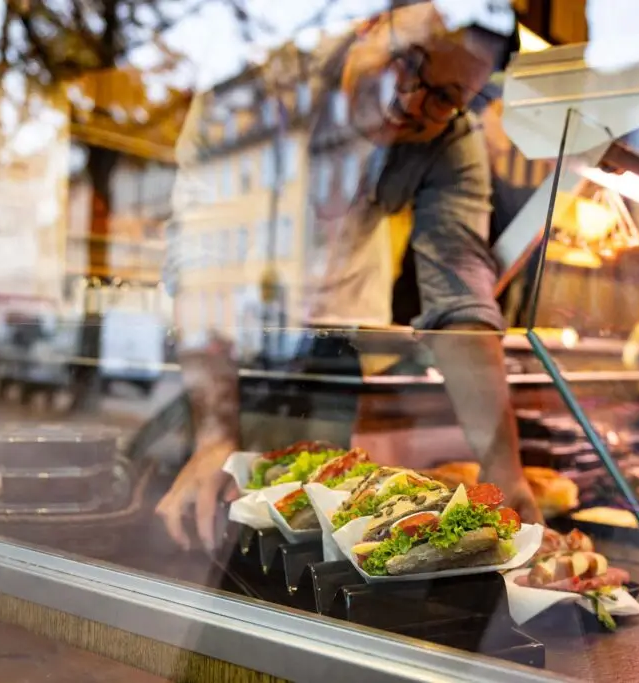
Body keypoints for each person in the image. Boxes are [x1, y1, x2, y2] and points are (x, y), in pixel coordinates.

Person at [156, 1, 543, 552]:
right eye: (409, 63)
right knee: (197, 523)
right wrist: (215, 436)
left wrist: (504, 469)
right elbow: (203, 266)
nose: (409, 101)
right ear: (370, 22)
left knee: (301, 546)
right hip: (214, 353)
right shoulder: (253, 87)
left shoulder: (451, 140)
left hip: (331, 360)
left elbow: (460, 301)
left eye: (443, 98)